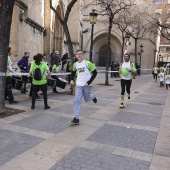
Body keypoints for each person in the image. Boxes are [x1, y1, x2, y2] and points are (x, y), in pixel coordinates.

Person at [69, 50, 97, 125]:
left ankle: (93, 96)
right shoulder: (75, 64)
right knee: (77, 100)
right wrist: (72, 79)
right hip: (79, 84)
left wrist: (88, 82)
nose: (79, 55)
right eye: (77, 54)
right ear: (76, 56)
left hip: (87, 84)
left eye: (80, 54)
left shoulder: (87, 63)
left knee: (87, 99)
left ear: (82, 55)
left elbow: (95, 73)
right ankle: (76, 118)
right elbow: (73, 72)